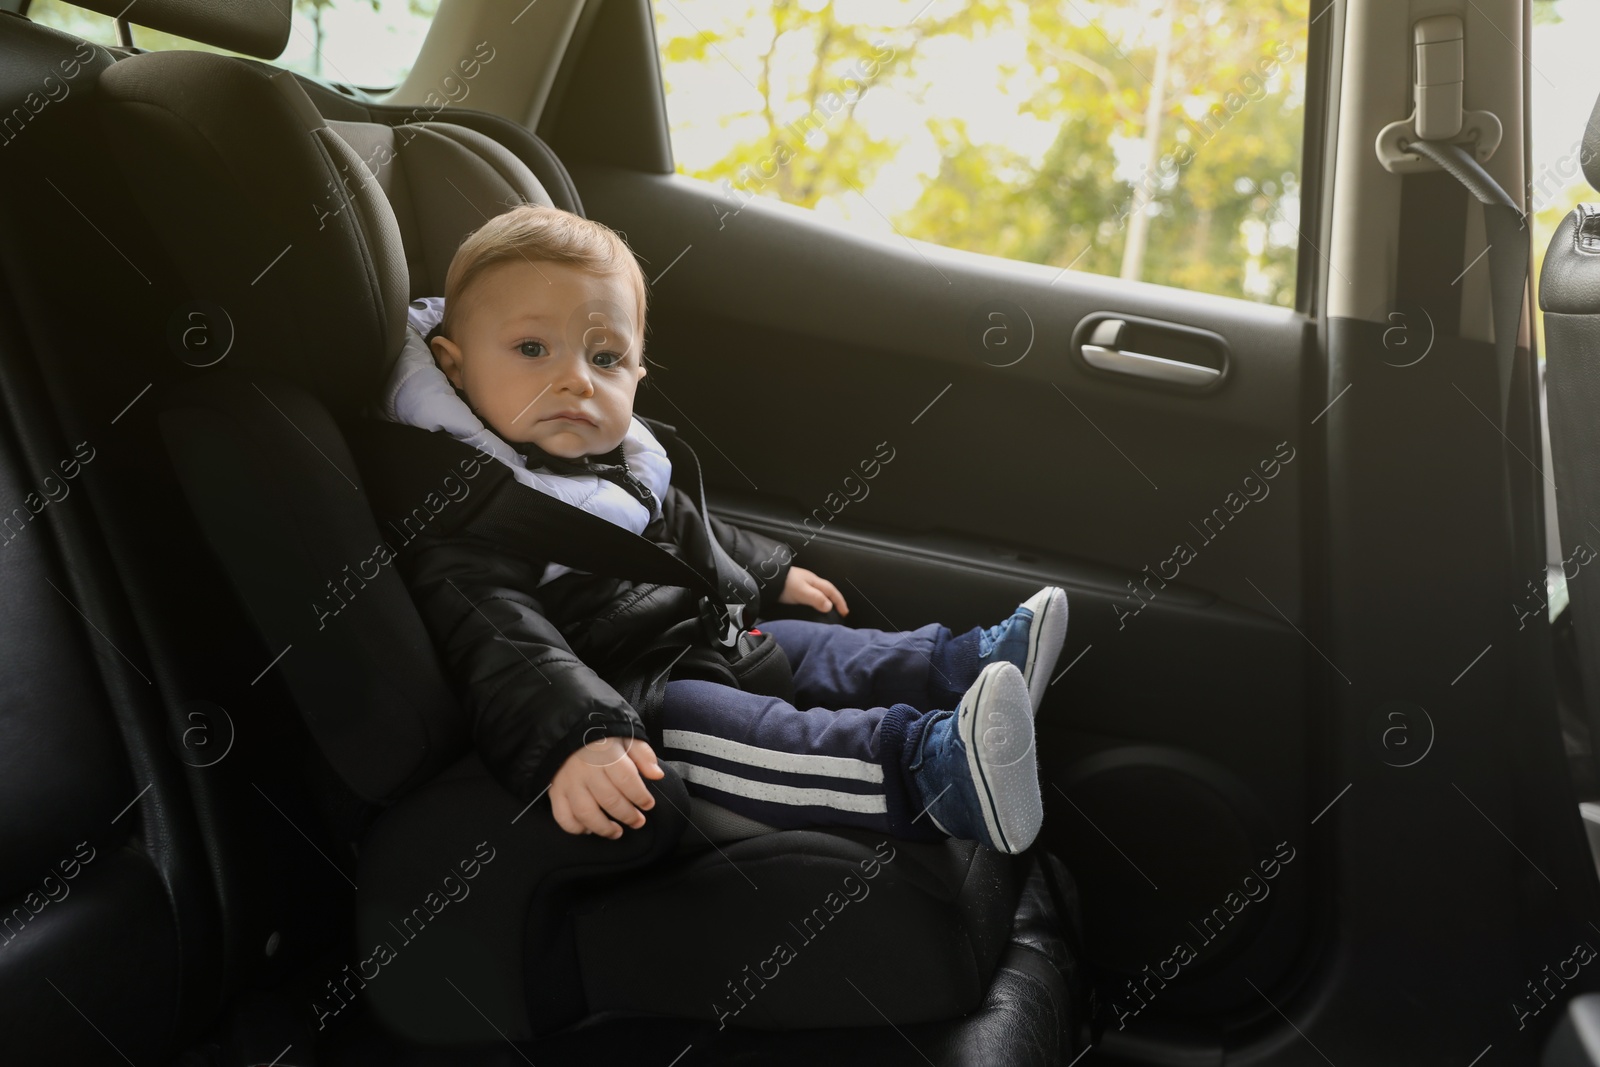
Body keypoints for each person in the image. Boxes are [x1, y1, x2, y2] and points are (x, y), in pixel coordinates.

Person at [374, 204, 1068, 853]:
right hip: (632, 696)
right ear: (452, 366)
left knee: (819, 645)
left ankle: (964, 663)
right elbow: (499, 640)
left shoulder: (618, 463)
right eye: (532, 348)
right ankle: (934, 772)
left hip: (697, 633)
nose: (578, 381)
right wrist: (581, 734)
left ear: (638, 373)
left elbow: (687, 530)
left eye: (606, 358)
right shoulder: (468, 508)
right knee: (756, 734)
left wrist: (768, 572)